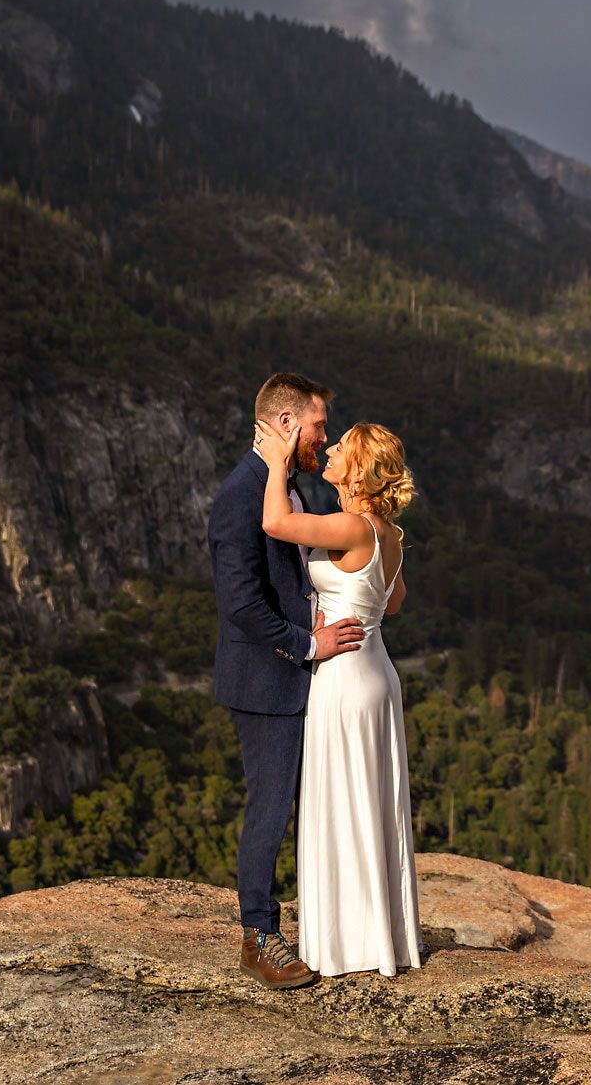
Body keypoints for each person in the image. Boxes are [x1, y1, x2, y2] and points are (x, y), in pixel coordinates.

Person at [207, 373, 363, 990]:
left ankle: (326, 927)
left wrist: (315, 617)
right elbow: (241, 604)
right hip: (265, 680)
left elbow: (290, 579)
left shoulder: (284, 486)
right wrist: (307, 643)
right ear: (287, 423)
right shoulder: (239, 495)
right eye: (319, 426)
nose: (325, 437)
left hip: (298, 676)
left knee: (310, 808)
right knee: (270, 810)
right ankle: (258, 936)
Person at [251, 416, 420, 978]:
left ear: (360, 469)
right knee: (371, 801)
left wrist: (276, 462)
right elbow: (392, 602)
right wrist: (349, 606)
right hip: (377, 671)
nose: (330, 451)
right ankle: (381, 937)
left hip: (344, 677)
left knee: (341, 803)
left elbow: (275, 522)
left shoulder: (351, 526)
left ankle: (345, 944)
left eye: (341, 447)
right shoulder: (389, 534)